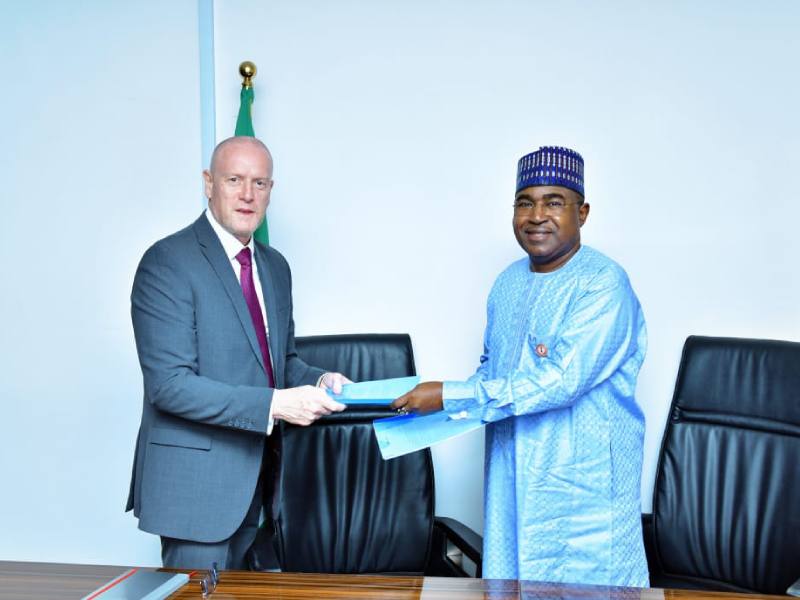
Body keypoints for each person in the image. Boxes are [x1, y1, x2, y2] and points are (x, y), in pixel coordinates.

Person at [392, 146, 648, 587]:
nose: (537, 216)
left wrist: (448, 394)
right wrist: (431, 411)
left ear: (582, 213)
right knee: (511, 586)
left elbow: (561, 381)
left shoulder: (603, 284)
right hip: (512, 486)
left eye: (554, 202)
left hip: (581, 497)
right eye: (524, 203)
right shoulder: (508, 282)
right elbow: (491, 373)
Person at [127, 136, 347, 570]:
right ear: (209, 183)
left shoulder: (275, 267)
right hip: (197, 493)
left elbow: (280, 363)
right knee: (196, 599)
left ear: (270, 190)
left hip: (262, 484)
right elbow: (169, 386)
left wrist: (320, 379)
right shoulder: (167, 262)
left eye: (259, 183)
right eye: (234, 180)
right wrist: (276, 405)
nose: (248, 194)